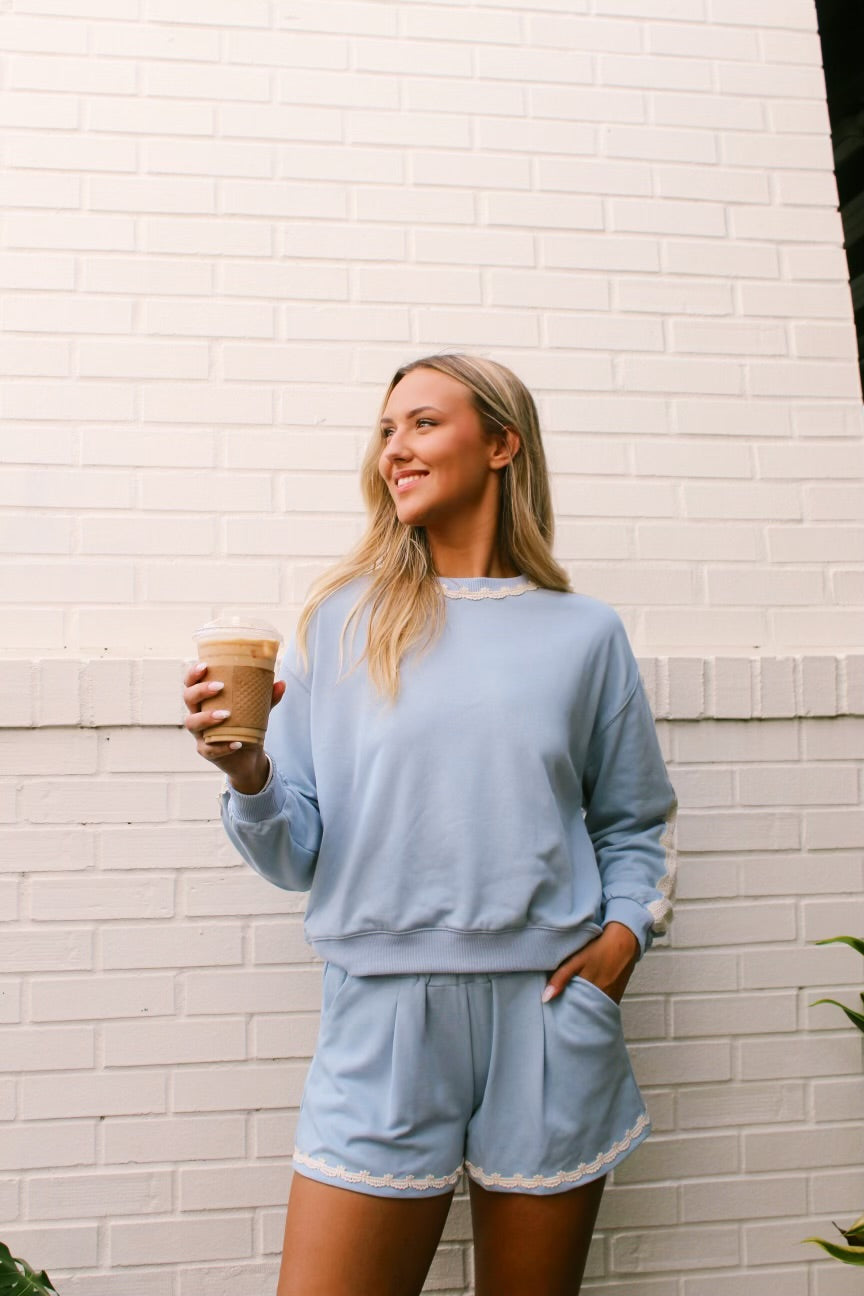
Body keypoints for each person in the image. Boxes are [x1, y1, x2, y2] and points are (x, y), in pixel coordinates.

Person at [182, 353, 678, 1296]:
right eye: (385, 431)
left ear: (501, 444)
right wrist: (247, 773)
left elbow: (635, 820)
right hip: (381, 1020)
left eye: (421, 423)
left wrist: (622, 939)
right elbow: (298, 852)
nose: (394, 450)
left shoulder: (585, 634)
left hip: (547, 1016)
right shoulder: (340, 623)